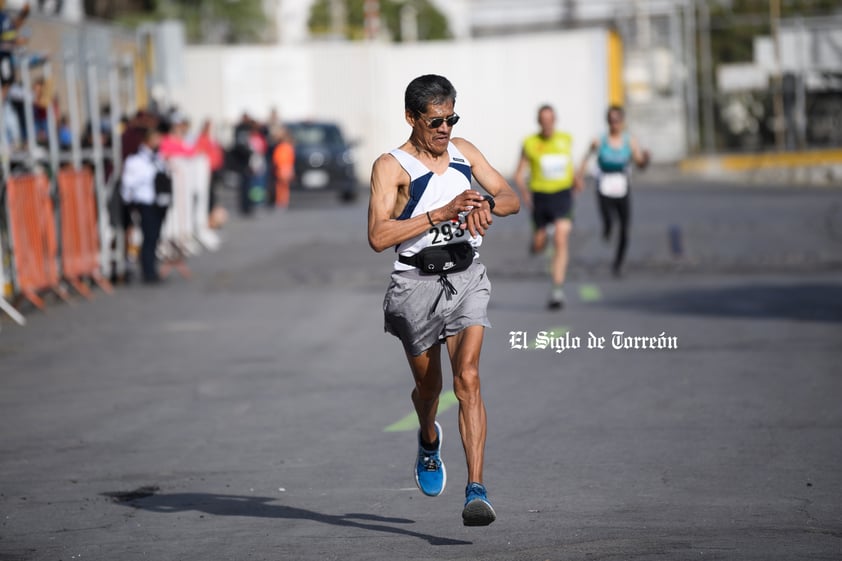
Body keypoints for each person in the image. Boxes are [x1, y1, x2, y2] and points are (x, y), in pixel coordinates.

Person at [368, 74, 519, 527]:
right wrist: (440, 212)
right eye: (435, 121)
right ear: (411, 118)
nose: (445, 129)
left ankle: (476, 489)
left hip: (466, 277)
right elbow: (378, 236)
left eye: (451, 118)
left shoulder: (464, 153)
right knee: (429, 389)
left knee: (467, 378)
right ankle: (429, 438)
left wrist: (486, 205)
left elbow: (511, 196)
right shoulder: (391, 167)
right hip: (415, 285)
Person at [514, 104, 581, 310]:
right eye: (543, 120)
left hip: (562, 196)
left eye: (550, 119)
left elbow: (569, 166)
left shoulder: (565, 139)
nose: (547, 124)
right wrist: (525, 196)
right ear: (538, 122)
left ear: (555, 120)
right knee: (540, 243)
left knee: (561, 238)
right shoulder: (530, 143)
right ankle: (537, 242)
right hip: (540, 197)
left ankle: (557, 291)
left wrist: (575, 179)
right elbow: (519, 174)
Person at [576, 105, 650, 277]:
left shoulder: (629, 141)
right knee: (608, 220)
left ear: (622, 122)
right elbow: (586, 158)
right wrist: (578, 177)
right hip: (604, 186)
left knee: (625, 228)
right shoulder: (599, 140)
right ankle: (607, 229)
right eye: (611, 120)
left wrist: (645, 159)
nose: (614, 123)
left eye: (617, 120)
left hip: (622, 186)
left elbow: (639, 163)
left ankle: (618, 263)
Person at [121, 127, 170, 284]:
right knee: (148, 237)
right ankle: (148, 272)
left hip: (159, 202)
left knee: (155, 237)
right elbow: (128, 183)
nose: (157, 142)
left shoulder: (158, 158)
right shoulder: (135, 160)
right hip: (144, 202)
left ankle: (152, 269)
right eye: (155, 139)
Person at [268, 125, 295, 210]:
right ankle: (283, 202)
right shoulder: (288, 146)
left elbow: (277, 159)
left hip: (283, 168)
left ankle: (281, 202)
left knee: (281, 186)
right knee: (283, 186)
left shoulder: (282, 147)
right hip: (286, 168)